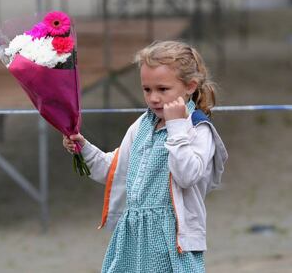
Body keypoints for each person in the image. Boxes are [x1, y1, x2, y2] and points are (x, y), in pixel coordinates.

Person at [62, 40, 228, 272]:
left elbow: (187, 175)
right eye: (147, 89)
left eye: (163, 89)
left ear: (190, 86)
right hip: (133, 236)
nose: (153, 98)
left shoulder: (198, 129)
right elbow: (113, 170)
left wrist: (177, 126)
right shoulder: (141, 126)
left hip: (173, 239)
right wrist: (84, 148)